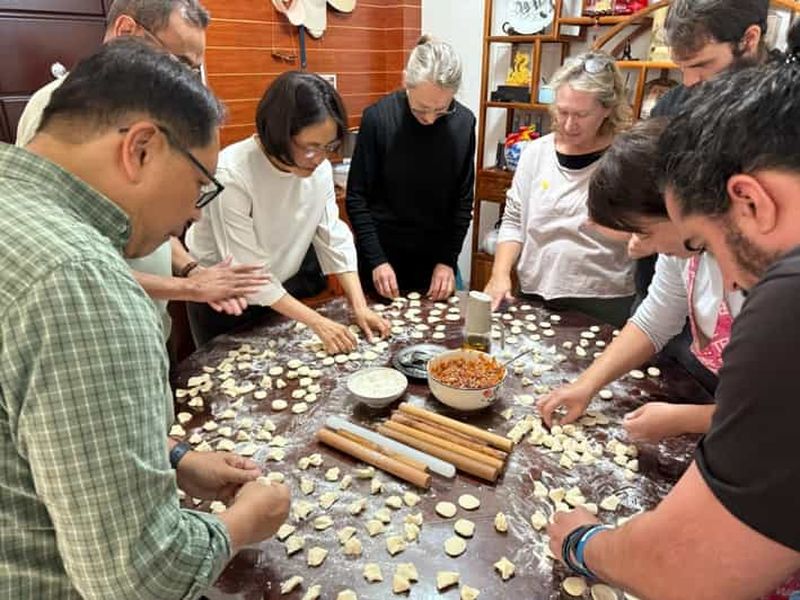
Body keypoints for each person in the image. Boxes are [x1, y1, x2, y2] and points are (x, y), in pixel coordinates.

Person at [0, 40, 290, 598]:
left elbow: (36, 424)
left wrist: (175, 457)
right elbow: (135, 577)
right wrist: (241, 525)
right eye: (199, 187)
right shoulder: (84, 283)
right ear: (140, 150)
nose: (190, 213)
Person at [548, 33, 800, 599]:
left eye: (706, 243)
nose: (731, 284)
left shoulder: (786, 303)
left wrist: (580, 544)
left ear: (751, 200)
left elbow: (687, 570)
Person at [16, 0, 268, 343]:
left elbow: (152, 221)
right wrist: (189, 287)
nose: (185, 81)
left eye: (193, 70)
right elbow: (77, 266)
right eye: (178, 63)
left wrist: (191, 268)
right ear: (126, 31)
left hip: (147, 317)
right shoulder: (68, 113)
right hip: (101, 328)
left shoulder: (148, 115)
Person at [537, 118, 745, 443]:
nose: (641, 245)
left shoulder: (763, 270)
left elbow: (781, 408)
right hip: (730, 408)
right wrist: (587, 384)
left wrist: (687, 418)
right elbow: (654, 320)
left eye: (643, 231)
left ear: (677, 207)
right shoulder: (684, 250)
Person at [186, 71, 389, 351]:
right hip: (224, 300)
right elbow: (247, 274)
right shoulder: (231, 174)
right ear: (279, 134)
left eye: (328, 147)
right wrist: (317, 322)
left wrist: (359, 305)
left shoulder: (320, 171)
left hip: (278, 291)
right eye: (310, 147)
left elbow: (334, 238)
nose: (319, 158)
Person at [483, 51, 635, 327]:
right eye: (562, 111)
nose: (568, 124)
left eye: (581, 114)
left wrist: (622, 231)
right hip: (535, 290)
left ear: (607, 109)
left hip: (602, 300)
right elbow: (514, 219)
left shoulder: (626, 158)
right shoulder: (536, 153)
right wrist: (500, 273)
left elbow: (649, 232)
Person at [345, 35, 476, 300]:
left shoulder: (463, 123)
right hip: (381, 261)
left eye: (441, 110)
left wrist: (447, 259)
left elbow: (462, 202)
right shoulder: (378, 119)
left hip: (435, 261)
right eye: (420, 110)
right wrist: (377, 260)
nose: (429, 119)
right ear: (406, 81)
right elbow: (357, 198)